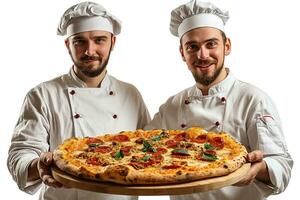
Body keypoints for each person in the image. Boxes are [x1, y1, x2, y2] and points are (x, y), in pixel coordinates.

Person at [145, 0, 293, 199]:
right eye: (192, 46)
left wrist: (262, 168)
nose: (202, 55)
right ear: (182, 53)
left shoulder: (253, 100)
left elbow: (282, 167)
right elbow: (142, 149)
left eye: (211, 44)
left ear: (227, 46)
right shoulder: (172, 105)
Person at [7, 1, 150, 200]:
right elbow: (20, 155)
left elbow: (149, 150)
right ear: (68, 45)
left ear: (112, 42)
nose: (89, 51)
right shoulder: (42, 95)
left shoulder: (130, 93)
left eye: (99, 40)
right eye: (79, 41)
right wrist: (37, 164)